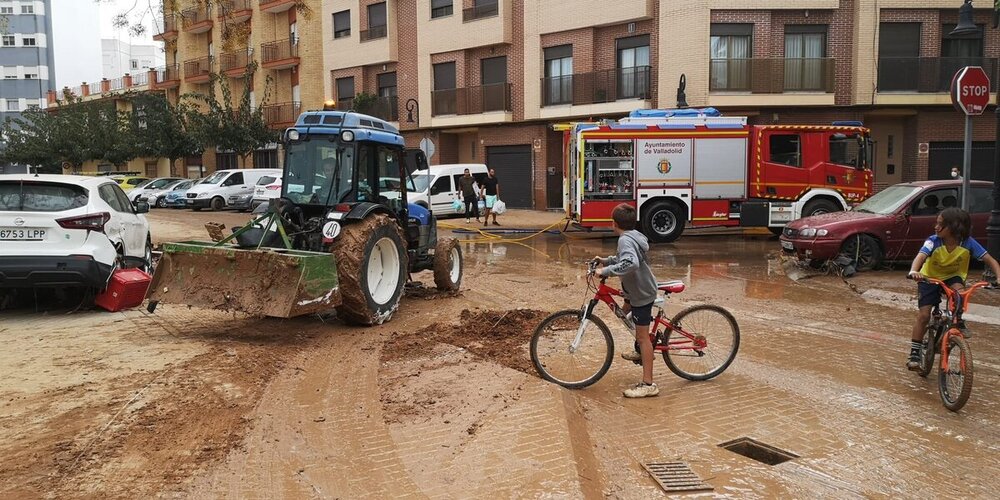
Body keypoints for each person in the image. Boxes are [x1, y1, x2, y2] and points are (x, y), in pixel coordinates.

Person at [906, 207, 1000, 370]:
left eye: (941, 224)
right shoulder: (933, 241)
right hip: (929, 277)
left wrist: (999, 276)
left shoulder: (969, 243)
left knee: (960, 293)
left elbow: (990, 260)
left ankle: (958, 321)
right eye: (937, 223)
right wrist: (914, 271)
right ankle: (914, 352)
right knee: (924, 315)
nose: (936, 227)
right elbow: (920, 257)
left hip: (953, 277)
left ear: (955, 227)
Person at [594, 203, 660, 398]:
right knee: (625, 316)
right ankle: (641, 350)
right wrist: (607, 261)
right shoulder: (631, 236)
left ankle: (649, 384)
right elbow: (624, 257)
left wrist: (605, 271)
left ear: (614, 223)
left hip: (641, 293)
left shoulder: (625, 240)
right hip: (635, 289)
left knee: (643, 336)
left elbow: (631, 262)